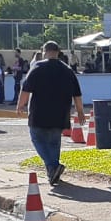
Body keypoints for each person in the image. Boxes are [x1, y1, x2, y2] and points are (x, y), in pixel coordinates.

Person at [18, 40, 83, 186]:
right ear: (58, 52)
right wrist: (80, 111)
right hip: (60, 113)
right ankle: (53, 173)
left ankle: (52, 166)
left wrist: (20, 105)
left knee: (37, 138)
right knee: (54, 142)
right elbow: (77, 94)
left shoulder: (37, 67)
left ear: (44, 52)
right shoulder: (67, 70)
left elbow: (26, 89)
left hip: (39, 112)